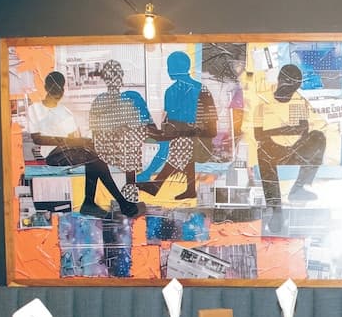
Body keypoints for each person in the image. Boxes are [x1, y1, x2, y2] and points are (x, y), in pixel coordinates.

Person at [26, 71, 143, 219]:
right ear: (46, 88)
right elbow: (37, 139)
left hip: (66, 151)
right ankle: (115, 203)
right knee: (94, 157)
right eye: (54, 88)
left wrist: (81, 141)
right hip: (52, 156)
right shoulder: (35, 109)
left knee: (94, 157)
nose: (58, 92)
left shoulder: (65, 112)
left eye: (60, 88)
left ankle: (93, 203)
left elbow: (73, 138)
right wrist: (69, 141)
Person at [248, 63, 326, 233]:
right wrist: (287, 129)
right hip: (273, 152)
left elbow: (303, 131)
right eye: (289, 84)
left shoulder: (299, 102)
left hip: (295, 151)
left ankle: (299, 187)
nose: (291, 90)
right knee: (262, 151)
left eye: (295, 86)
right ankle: (275, 208)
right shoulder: (263, 105)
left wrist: (273, 131)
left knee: (318, 136)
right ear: (280, 80)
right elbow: (259, 136)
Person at [138, 51, 218, 200]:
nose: (168, 71)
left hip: (201, 142)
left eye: (170, 67)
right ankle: (190, 190)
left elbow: (211, 126)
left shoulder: (198, 90)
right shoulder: (172, 92)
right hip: (182, 140)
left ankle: (156, 185)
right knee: (181, 143)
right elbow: (171, 126)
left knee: (183, 143)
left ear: (177, 68)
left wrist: (187, 132)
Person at [89, 60, 150, 215]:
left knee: (129, 139)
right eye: (111, 76)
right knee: (129, 140)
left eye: (116, 75)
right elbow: (95, 131)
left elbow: (143, 125)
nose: (114, 79)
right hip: (109, 147)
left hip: (123, 146)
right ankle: (129, 198)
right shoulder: (102, 100)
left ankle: (129, 196)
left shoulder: (128, 98)